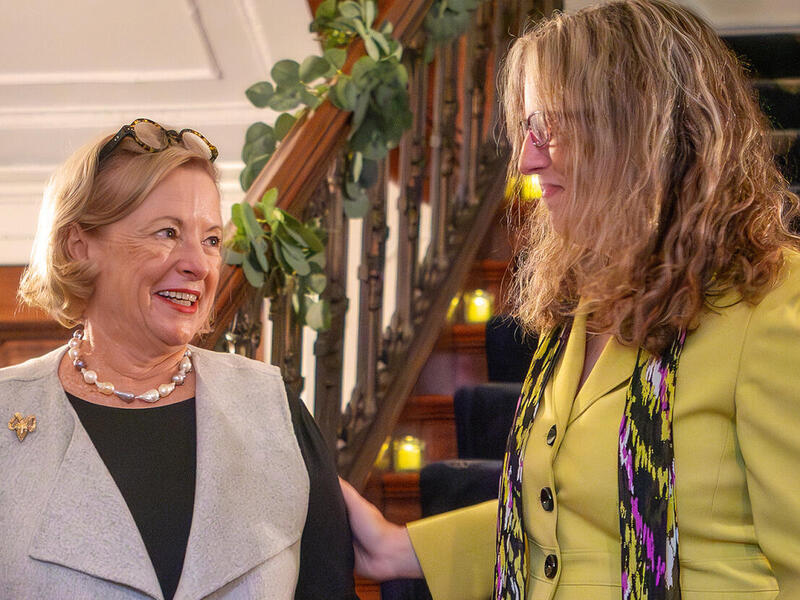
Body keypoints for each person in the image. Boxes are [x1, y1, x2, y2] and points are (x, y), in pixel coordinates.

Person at [340, 1, 800, 598]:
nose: (526, 159)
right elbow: (565, 516)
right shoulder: (588, 299)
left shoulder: (772, 301)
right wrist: (396, 547)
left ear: (639, 131)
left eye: (550, 127)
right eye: (526, 129)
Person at [0, 119, 357, 599]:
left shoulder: (272, 407)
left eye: (211, 239)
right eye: (167, 233)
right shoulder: (7, 412)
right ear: (80, 245)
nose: (199, 264)